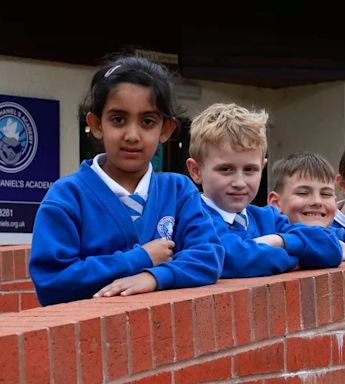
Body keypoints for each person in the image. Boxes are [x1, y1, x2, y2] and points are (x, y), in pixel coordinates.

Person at [29, 56, 224, 306]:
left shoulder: (178, 191)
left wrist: (154, 277)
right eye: (118, 119)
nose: (132, 135)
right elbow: (52, 282)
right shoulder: (66, 196)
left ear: (165, 130)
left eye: (147, 122)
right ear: (97, 125)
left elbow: (208, 258)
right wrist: (139, 258)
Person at [186, 103, 342, 277]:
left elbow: (330, 246)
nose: (239, 182)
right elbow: (236, 260)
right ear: (196, 171)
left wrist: (278, 240)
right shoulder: (193, 218)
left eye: (250, 170)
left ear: (262, 167)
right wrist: (295, 259)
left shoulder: (268, 218)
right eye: (226, 169)